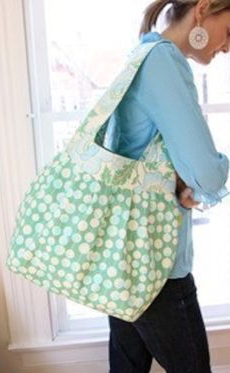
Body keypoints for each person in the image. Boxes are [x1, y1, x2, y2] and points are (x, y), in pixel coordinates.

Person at [105, 0, 230, 372]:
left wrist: (180, 180)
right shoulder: (163, 63)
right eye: (229, 32)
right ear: (204, 9)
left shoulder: (143, 51)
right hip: (157, 266)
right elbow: (207, 173)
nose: (227, 47)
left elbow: (142, 152)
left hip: (126, 256)